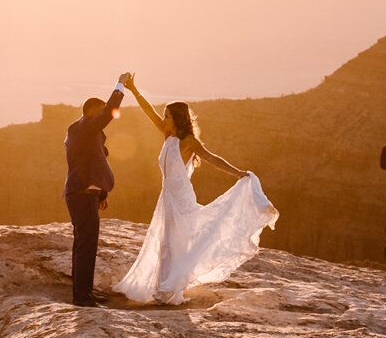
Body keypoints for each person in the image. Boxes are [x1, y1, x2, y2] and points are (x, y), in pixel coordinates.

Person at [112, 72, 278, 305]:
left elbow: (212, 158)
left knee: (176, 241)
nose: (163, 118)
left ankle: (167, 290)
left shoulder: (188, 141)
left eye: (167, 116)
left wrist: (239, 173)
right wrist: (134, 90)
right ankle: (166, 287)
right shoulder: (167, 135)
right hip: (167, 197)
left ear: (177, 119)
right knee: (166, 241)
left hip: (181, 199)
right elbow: (148, 111)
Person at [62, 84, 126, 306]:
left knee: (86, 245)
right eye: (101, 111)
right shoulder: (83, 127)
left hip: (85, 195)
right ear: (92, 112)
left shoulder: (88, 133)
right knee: (85, 245)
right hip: (80, 196)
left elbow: (93, 163)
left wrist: (101, 193)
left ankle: (85, 292)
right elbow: (109, 111)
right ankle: (81, 297)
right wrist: (120, 85)